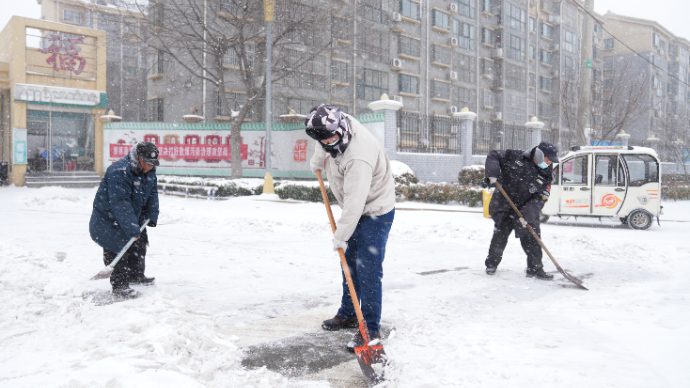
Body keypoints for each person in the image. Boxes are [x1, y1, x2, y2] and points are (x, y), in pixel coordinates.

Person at [305, 104, 396, 352]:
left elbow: (355, 204)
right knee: (350, 263)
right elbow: (320, 140)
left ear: (341, 128)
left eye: (332, 138)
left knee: (368, 269)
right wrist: (317, 160)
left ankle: (370, 329)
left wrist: (340, 236)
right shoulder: (329, 126)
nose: (329, 143)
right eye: (324, 140)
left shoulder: (358, 155)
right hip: (356, 206)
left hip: (375, 209)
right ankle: (349, 313)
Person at [89, 142, 160, 297]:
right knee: (117, 248)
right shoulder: (120, 171)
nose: (149, 167)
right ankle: (120, 286)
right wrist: (131, 226)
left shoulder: (149, 171)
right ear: (138, 158)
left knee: (139, 244)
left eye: (152, 164)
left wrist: (152, 213)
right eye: (146, 163)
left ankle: (136, 275)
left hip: (132, 216)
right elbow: (120, 203)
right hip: (109, 219)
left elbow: (152, 193)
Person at [483, 141, 559, 280]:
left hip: (525, 209)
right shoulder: (515, 156)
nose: (549, 163)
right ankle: (491, 264)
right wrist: (492, 174)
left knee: (532, 238)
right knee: (500, 237)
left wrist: (527, 214)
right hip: (505, 205)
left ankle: (535, 269)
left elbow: (541, 197)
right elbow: (493, 155)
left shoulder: (547, 173)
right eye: (548, 159)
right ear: (540, 155)